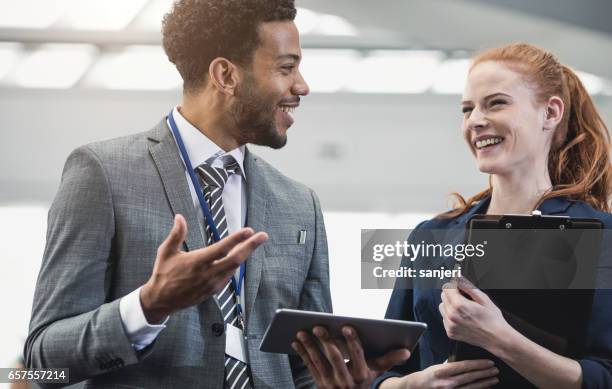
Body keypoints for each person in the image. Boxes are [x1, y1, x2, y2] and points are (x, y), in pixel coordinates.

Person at [25, 1, 341, 387]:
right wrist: (148, 306)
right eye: (286, 68)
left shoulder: (300, 205)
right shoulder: (103, 174)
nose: (302, 85)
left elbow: (308, 369)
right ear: (226, 75)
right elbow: (42, 360)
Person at [376, 43, 612, 388]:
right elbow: (386, 370)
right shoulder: (431, 235)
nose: (476, 121)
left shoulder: (602, 236)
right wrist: (412, 385)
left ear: (550, 113)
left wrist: (499, 337)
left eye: (496, 103)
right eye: (467, 109)